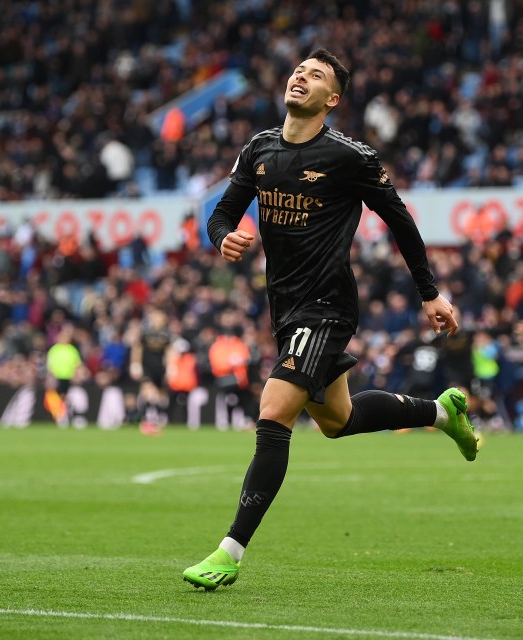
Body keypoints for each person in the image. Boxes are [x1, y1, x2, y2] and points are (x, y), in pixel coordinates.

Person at [183, 48, 480, 591]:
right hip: (285, 308)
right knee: (336, 420)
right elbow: (223, 211)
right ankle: (441, 413)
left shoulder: (350, 157)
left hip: (327, 307)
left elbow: (400, 219)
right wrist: (221, 236)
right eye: (299, 69)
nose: (301, 75)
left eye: (315, 75)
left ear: (332, 99)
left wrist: (430, 294)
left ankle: (229, 552)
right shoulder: (260, 148)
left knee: (274, 412)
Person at [45, 322, 82, 428]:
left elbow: (77, 364)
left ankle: (66, 415)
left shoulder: (72, 350)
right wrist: (50, 376)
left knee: (65, 397)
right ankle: (60, 416)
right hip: (57, 376)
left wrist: (76, 374)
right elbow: (49, 364)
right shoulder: (54, 349)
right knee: (58, 397)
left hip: (68, 377)